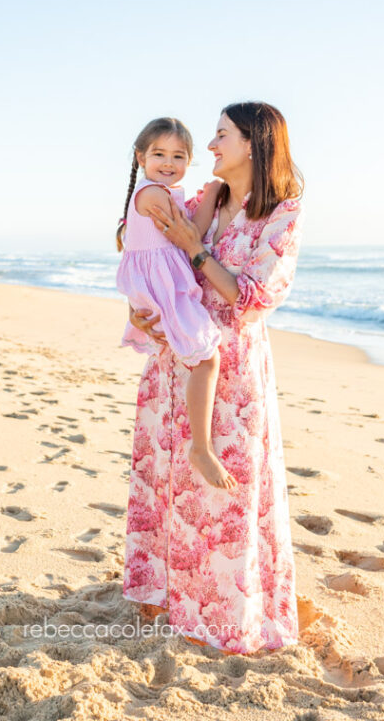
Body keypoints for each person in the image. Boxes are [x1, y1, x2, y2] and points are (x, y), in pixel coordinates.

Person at [122, 102, 305, 655]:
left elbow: (254, 298)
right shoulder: (205, 198)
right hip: (173, 352)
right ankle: (173, 601)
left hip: (232, 369)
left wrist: (196, 252)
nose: (211, 145)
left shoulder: (281, 213)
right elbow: (143, 249)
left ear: (252, 143)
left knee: (224, 493)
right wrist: (137, 311)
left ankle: (231, 613)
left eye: (221, 135)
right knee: (170, 480)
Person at [115, 117, 237, 490]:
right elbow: (192, 234)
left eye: (179, 156)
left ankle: (195, 442)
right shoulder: (154, 196)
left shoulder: (158, 194)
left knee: (198, 358)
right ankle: (201, 448)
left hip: (160, 285)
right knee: (207, 359)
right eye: (159, 154)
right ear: (140, 157)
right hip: (164, 288)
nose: (169, 163)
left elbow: (185, 235)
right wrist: (214, 195)